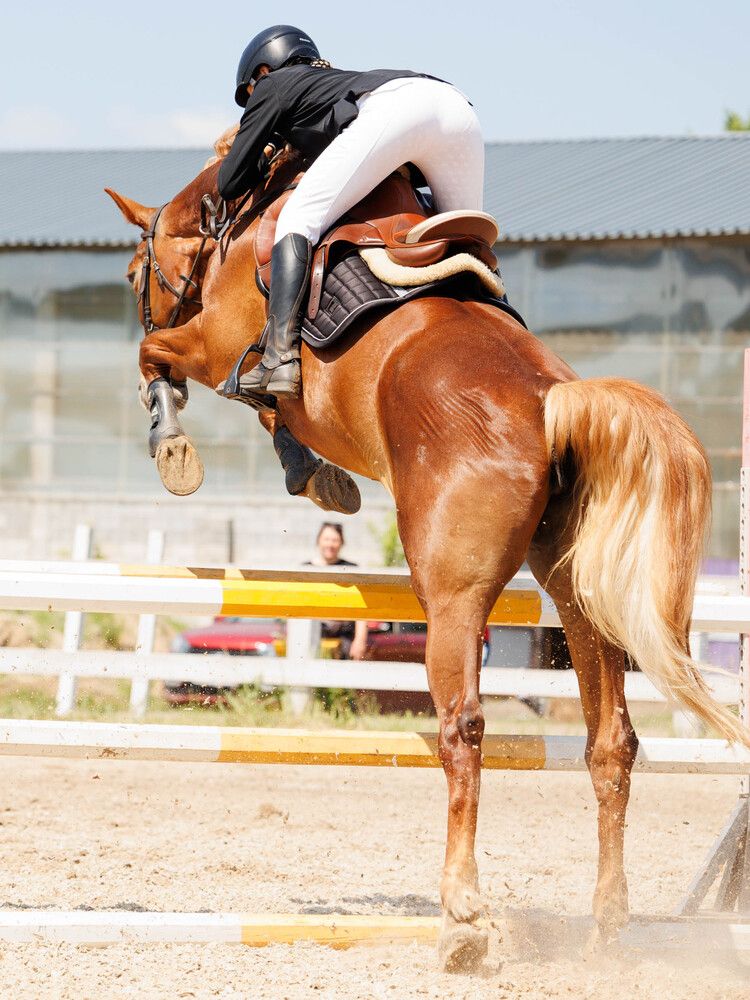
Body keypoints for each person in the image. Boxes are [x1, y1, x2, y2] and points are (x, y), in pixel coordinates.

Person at [217, 24, 486, 399]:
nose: (255, 97)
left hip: (398, 109)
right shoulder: (332, 83)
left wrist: (258, 160)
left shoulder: (272, 85)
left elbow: (229, 182)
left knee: (298, 218)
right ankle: (503, 331)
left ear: (262, 71)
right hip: (457, 108)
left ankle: (278, 358)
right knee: (465, 242)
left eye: (251, 91)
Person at [304, 522, 368, 660]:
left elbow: (362, 608)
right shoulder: (305, 569)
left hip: (344, 635)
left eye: (335, 540)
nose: (330, 544)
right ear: (319, 541)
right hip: (313, 633)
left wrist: (360, 640)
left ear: (341, 543)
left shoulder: (352, 569)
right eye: (326, 539)